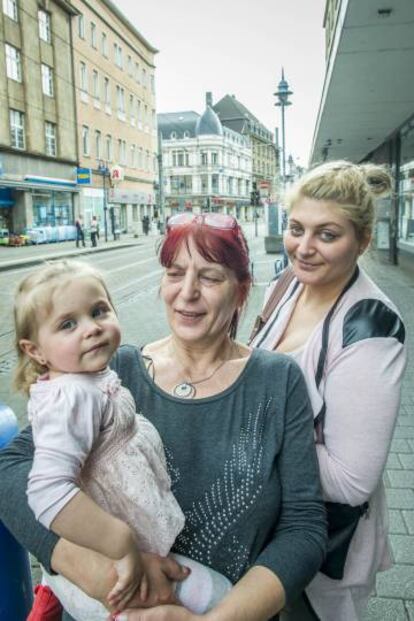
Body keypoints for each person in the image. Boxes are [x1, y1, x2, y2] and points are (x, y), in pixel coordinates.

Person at [0, 213, 327, 621]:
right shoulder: (107, 372)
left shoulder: (277, 380)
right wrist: (106, 574)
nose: (187, 293)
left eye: (209, 277)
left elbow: (305, 528)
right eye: (175, 273)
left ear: (241, 291)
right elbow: (10, 470)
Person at [13, 260, 232, 620]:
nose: (92, 329)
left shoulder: (88, 378)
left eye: (99, 311)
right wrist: (121, 544)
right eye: (68, 324)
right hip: (116, 563)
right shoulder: (73, 398)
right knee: (223, 597)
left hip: (132, 552)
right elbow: (46, 490)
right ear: (35, 350)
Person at [250, 161, 407, 621]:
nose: (304, 248)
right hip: (267, 531)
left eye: (327, 234)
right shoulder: (285, 285)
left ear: (362, 240)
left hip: (323, 549)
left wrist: (250, 434)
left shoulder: (371, 326)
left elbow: (351, 481)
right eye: (297, 228)